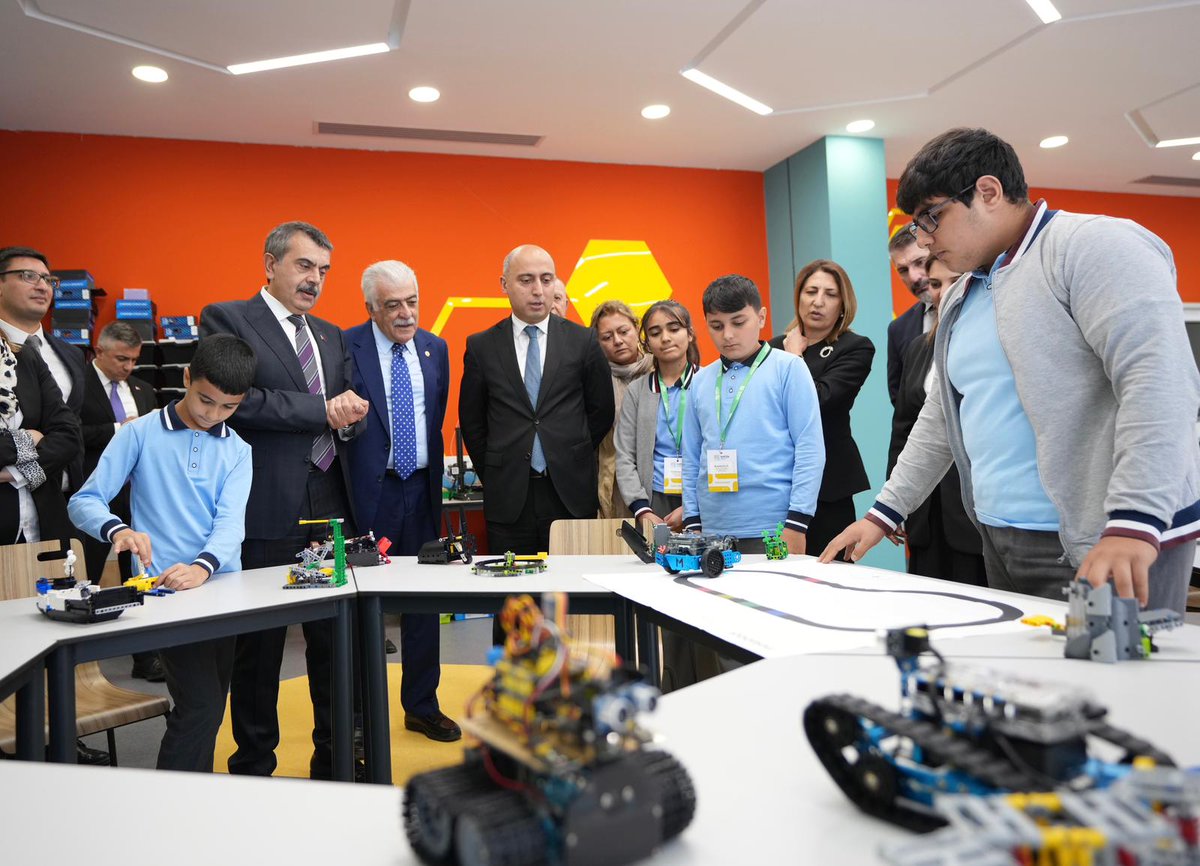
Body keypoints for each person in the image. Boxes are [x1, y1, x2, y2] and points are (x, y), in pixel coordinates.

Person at [821, 127, 1200, 614]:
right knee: (1032, 686)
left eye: (932, 218)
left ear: (988, 192)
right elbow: (941, 418)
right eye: (918, 225)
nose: (925, 240)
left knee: (1118, 688)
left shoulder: (1093, 246)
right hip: (1000, 539)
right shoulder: (961, 294)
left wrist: (1134, 520)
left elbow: (1158, 384)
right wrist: (883, 513)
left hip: (1106, 542)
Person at [199, 221, 369, 780]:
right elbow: (240, 400)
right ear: (270, 264)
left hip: (329, 512)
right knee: (260, 649)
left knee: (331, 642)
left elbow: (345, 401)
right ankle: (252, 767)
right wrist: (322, 411)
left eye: (323, 270)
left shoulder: (330, 334)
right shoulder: (228, 318)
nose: (314, 279)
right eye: (304, 266)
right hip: (267, 511)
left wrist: (350, 417)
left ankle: (334, 759)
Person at [69, 335, 255, 772]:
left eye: (228, 407)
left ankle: (190, 794)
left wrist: (202, 567)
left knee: (210, 703)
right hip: (163, 593)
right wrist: (119, 529)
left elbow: (231, 525)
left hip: (223, 588)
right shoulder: (139, 433)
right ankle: (173, 802)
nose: (212, 415)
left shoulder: (238, 450)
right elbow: (84, 501)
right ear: (186, 377)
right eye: (205, 400)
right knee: (201, 703)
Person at [345, 260, 460, 743]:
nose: (406, 313)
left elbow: (434, 418)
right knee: (359, 604)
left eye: (412, 301)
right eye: (393, 305)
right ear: (371, 307)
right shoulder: (343, 346)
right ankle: (356, 715)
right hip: (370, 493)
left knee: (424, 602)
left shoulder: (436, 348)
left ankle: (421, 705)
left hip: (423, 491)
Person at [459, 244, 614, 557]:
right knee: (517, 598)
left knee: (573, 598)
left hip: (569, 492)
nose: (538, 291)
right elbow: (473, 422)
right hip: (510, 495)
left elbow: (601, 411)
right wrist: (496, 470)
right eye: (526, 280)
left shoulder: (582, 341)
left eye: (546, 280)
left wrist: (570, 452)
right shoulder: (482, 346)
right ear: (504, 285)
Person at [682, 275, 823, 555]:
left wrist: (798, 522)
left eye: (738, 322)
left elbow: (810, 449)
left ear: (761, 317)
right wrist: (692, 521)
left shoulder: (789, 369)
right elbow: (691, 456)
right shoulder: (700, 380)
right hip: (712, 530)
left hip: (775, 527)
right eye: (716, 326)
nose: (728, 335)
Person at [614, 299, 705, 690]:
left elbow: (722, 448)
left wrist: (696, 505)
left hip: (700, 504)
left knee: (704, 596)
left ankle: (706, 682)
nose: (665, 337)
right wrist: (642, 509)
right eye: (655, 332)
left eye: (673, 328)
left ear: (689, 333)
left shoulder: (708, 382)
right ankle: (672, 685)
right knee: (667, 599)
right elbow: (625, 455)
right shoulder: (638, 391)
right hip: (657, 508)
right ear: (646, 341)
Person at [885, 256, 986, 586]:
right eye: (936, 285)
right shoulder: (917, 348)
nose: (942, 294)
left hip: (974, 509)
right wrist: (894, 504)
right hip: (925, 512)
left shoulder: (990, 346)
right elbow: (903, 430)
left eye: (953, 281)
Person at [769, 260, 874, 555]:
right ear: (799, 297)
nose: (818, 302)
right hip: (778, 483)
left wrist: (793, 356)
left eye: (830, 294)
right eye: (811, 291)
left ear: (843, 303)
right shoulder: (770, 348)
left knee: (829, 575)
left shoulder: (855, 347)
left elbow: (817, 400)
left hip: (829, 486)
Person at [78, 321, 163, 680]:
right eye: (121, 359)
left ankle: (146, 658)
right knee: (89, 574)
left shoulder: (144, 390)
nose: (128, 367)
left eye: (134, 360)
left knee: (142, 572)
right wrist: (119, 430)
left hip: (138, 494)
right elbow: (69, 433)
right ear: (99, 351)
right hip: (93, 493)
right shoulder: (76, 386)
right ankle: (81, 662)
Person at [0, 247, 86, 486]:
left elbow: (73, 433)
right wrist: (29, 440)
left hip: (66, 499)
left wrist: (25, 472)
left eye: (48, 280)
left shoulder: (72, 354)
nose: (42, 286)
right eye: (28, 276)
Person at [0, 335, 80, 546]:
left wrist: (16, 473)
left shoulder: (24, 357)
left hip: (44, 530)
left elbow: (68, 435)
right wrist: (28, 439)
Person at [591, 300, 653, 519]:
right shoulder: (594, 381)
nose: (617, 341)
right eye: (607, 337)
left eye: (623, 331)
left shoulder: (661, 370)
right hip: (614, 485)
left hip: (660, 482)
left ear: (637, 329)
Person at [885, 229, 933, 405]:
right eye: (903, 270)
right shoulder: (898, 329)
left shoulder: (978, 303)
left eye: (920, 262)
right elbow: (900, 401)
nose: (913, 277)